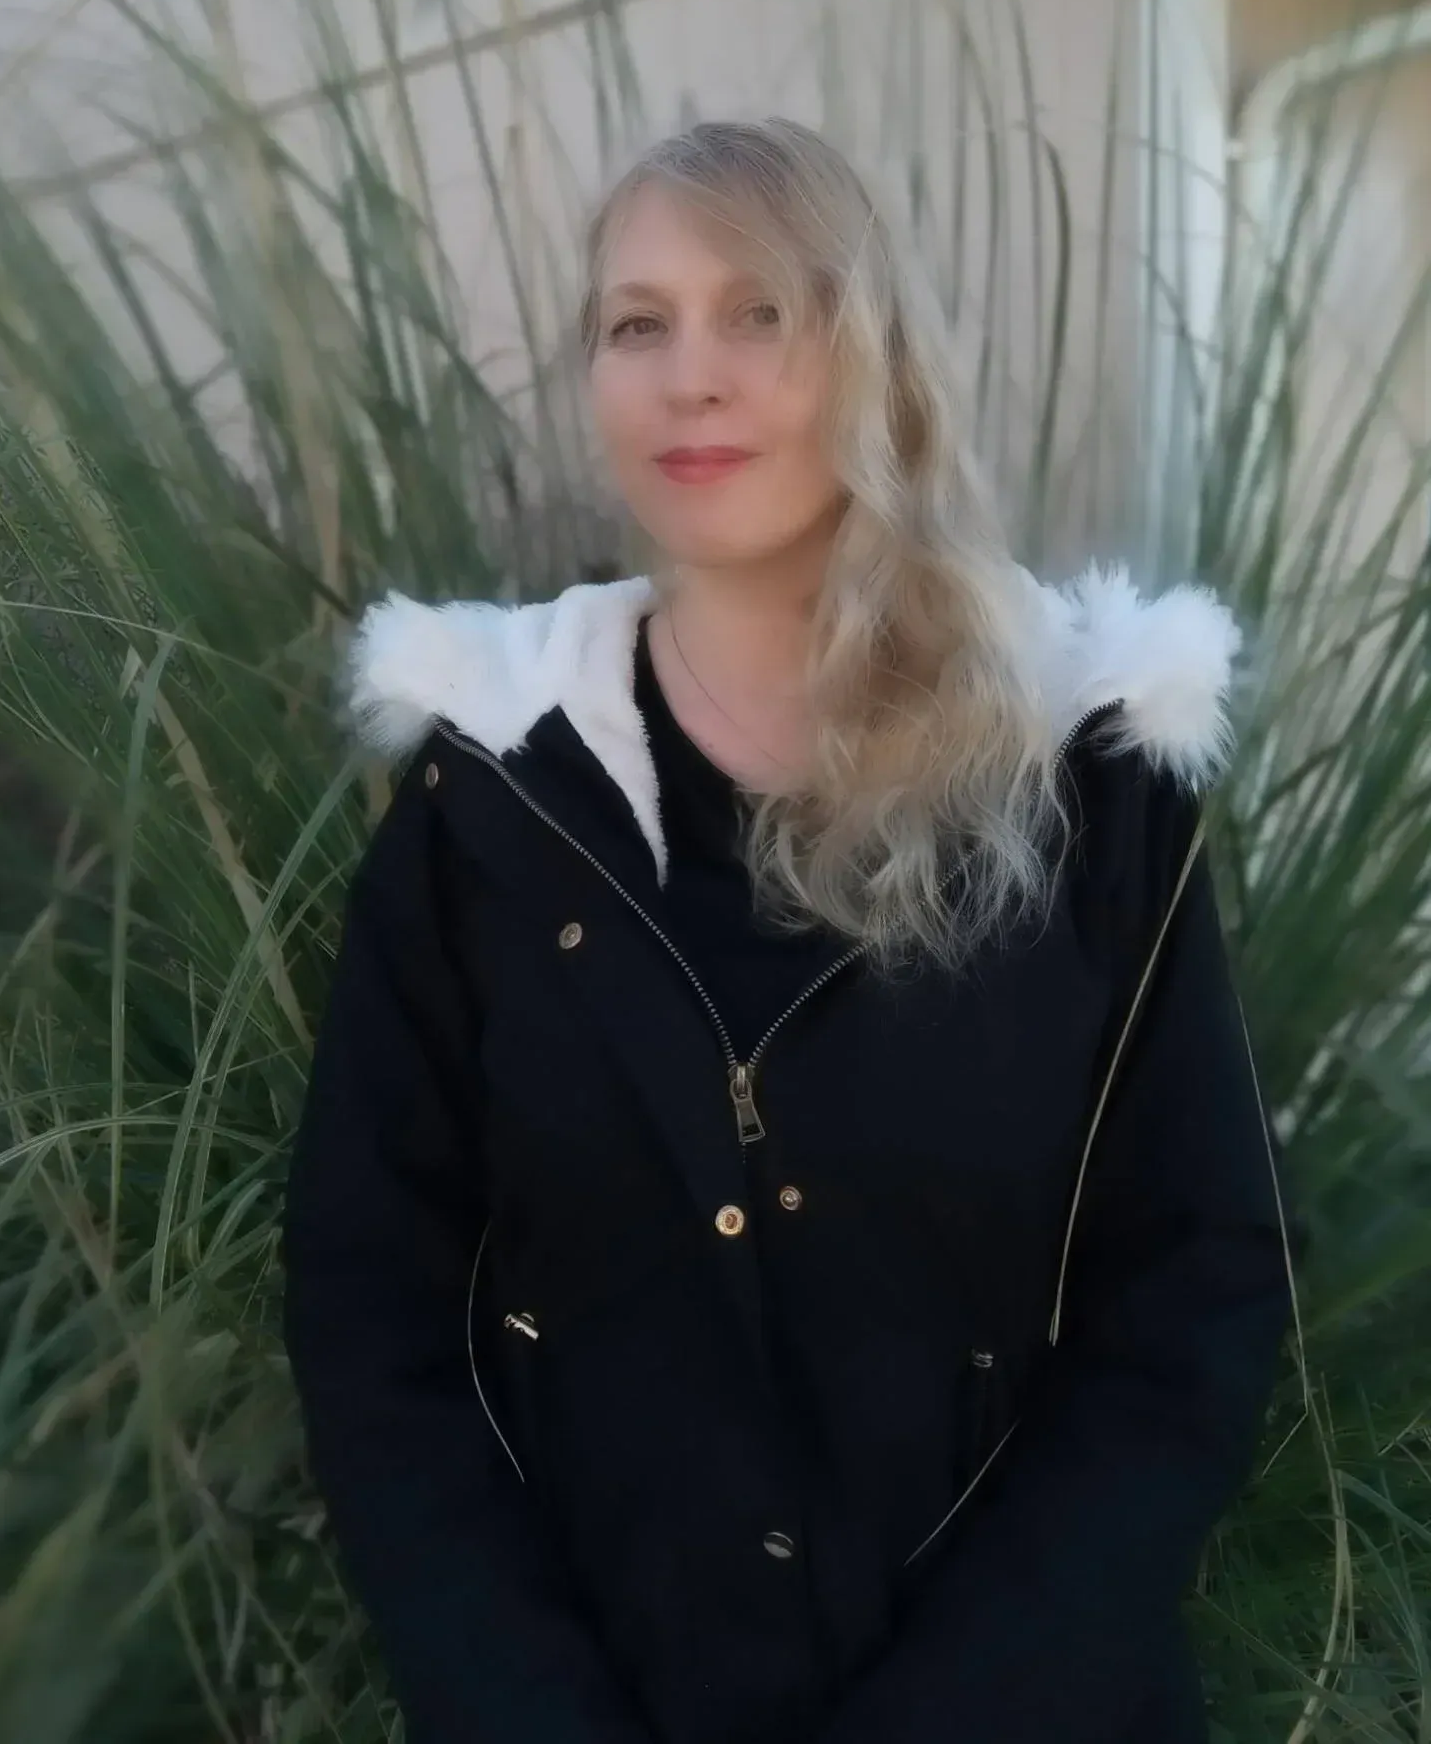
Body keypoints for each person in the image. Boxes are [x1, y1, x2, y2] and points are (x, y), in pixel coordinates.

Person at [279, 117, 1304, 1744]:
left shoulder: (1085, 791)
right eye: (639, 321)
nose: (693, 374)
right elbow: (373, 1304)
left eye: (761, 310)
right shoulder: (488, 804)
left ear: (876, 353)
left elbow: (1199, 1290)